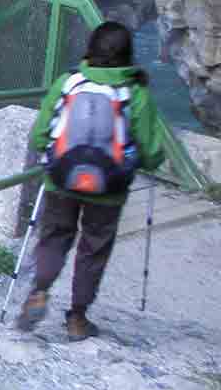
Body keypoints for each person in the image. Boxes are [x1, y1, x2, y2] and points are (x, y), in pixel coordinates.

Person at [14, 20, 168, 340]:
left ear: (91, 48)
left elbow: (41, 133)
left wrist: (48, 155)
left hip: (62, 180)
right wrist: (149, 161)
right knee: (94, 248)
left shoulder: (68, 82)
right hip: (109, 188)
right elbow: (152, 150)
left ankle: (40, 291)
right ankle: (77, 318)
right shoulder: (135, 92)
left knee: (54, 236)